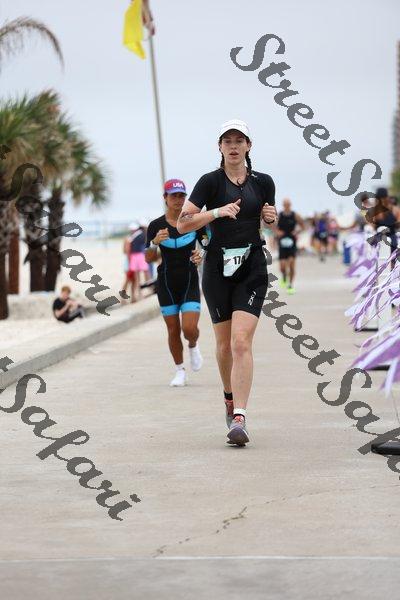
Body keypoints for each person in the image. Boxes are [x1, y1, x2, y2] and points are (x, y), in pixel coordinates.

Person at [177, 119, 277, 446]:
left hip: (252, 267)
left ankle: (240, 418)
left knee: (241, 342)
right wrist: (217, 213)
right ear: (219, 147)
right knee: (223, 346)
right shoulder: (209, 182)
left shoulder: (264, 182)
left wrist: (271, 220)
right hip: (217, 269)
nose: (233, 146)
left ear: (248, 145)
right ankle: (229, 397)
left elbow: (268, 222)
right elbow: (182, 223)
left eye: (239, 140)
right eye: (227, 141)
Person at [145, 179, 208, 387]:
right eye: (174, 195)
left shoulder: (194, 221)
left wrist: (201, 255)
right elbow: (148, 259)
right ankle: (180, 370)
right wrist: (154, 243)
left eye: (182, 195)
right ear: (165, 198)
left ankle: (193, 344)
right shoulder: (155, 225)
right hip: (166, 284)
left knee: (189, 328)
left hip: (189, 280)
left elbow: (207, 245)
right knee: (173, 330)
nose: (178, 200)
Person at [275, 198, 304, 294]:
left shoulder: (295, 215)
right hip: (282, 242)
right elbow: (273, 226)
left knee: (291, 264)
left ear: (290, 205)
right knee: (282, 266)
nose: (287, 205)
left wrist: (297, 231)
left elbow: (303, 225)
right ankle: (284, 275)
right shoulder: (280, 215)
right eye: (285, 204)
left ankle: (290, 285)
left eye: (288, 204)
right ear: (283, 205)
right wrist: (277, 232)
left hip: (292, 242)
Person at [126, 222, 149, 302]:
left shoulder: (131, 237)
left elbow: (127, 250)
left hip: (134, 256)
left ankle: (139, 294)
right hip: (139, 256)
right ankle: (145, 291)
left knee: (136, 277)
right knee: (144, 273)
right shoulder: (142, 235)